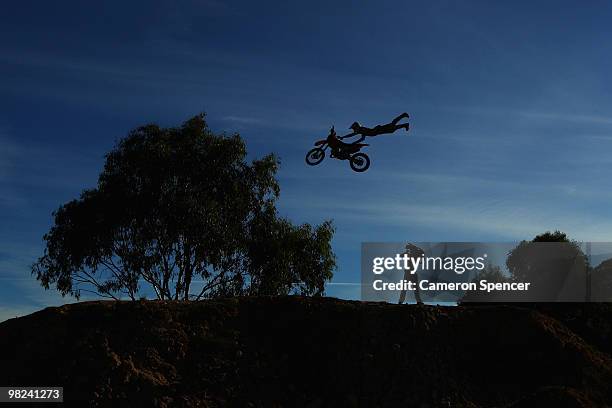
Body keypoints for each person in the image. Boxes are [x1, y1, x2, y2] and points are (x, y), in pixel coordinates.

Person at [341, 112, 410, 143]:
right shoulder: (362, 131)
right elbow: (362, 139)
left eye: (353, 128)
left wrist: (343, 137)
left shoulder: (360, 129)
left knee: (392, 125)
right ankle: (404, 125)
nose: (353, 130)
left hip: (378, 130)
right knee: (392, 130)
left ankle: (403, 115)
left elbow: (352, 134)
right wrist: (355, 142)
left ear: (356, 126)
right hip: (378, 131)